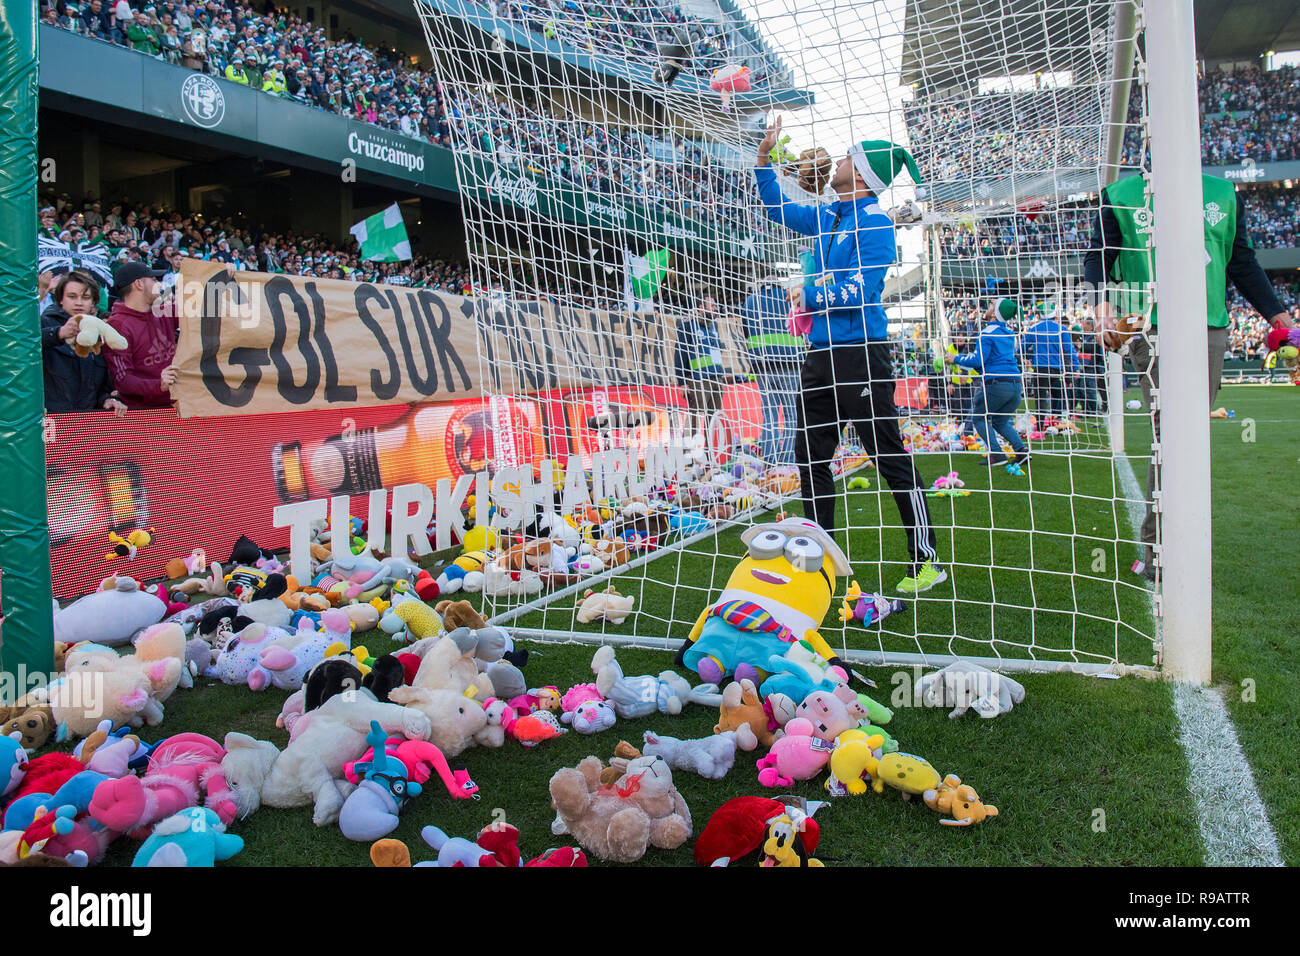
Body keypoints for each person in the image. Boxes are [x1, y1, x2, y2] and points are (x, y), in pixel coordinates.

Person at [754, 117, 944, 595]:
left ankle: (928, 559)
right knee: (808, 455)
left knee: (888, 456)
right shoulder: (830, 215)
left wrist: (809, 292)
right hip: (820, 355)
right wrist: (764, 160)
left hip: (861, 355)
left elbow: (863, 288)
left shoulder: (876, 222)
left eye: (845, 157)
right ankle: (819, 560)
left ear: (859, 172)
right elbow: (777, 206)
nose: (834, 160)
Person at [1083, 170, 1294, 580]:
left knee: (1188, 433)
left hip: (1211, 325)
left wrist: (1279, 318)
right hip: (1150, 324)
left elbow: (1242, 262)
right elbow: (1098, 255)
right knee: (1174, 429)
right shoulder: (1120, 194)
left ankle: (1173, 539)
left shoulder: (1223, 193)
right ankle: (1158, 547)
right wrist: (1100, 307)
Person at [946, 298, 1028, 467]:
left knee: (978, 418)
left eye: (992, 304)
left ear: (996, 312)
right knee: (1000, 421)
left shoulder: (987, 332)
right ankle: (1021, 450)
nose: (988, 305)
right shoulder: (1009, 333)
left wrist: (955, 358)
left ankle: (997, 455)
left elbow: (978, 360)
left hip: (997, 384)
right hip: (1015, 384)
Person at [40, 270, 126, 414]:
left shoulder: (99, 332)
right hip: (48, 424)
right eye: (72, 296)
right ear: (61, 299)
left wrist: (107, 399)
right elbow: (18, 352)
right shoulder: (43, 323)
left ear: (93, 302)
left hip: (84, 424)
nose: (79, 303)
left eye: (85, 297)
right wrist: (58, 333)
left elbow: (100, 387)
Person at [741, 276, 802, 465]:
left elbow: (745, 330)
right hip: (790, 363)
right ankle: (788, 461)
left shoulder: (750, 301)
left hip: (762, 366)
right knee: (792, 415)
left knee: (769, 414)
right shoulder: (789, 297)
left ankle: (769, 459)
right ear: (779, 284)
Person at [103, 260, 179, 409]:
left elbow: (203, 308)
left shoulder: (163, 312)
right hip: (143, 413)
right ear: (139, 284)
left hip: (175, 405)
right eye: (154, 280)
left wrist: (225, 277)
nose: (159, 284)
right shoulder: (118, 326)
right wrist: (159, 385)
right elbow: (123, 380)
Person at [673, 296, 736, 443]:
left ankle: (709, 454)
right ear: (701, 307)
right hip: (698, 379)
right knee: (695, 416)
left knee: (713, 418)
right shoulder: (688, 326)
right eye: (711, 306)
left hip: (717, 379)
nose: (715, 308)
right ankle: (688, 453)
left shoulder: (713, 326)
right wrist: (682, 382)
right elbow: (679, 355)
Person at [1020, 302, 1079, 418]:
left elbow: (1021, 348)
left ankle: (1040, 426)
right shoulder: (1061, 329)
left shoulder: (1034, 328)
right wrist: (1076, 367)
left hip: (1040, 369)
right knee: (1058, 394)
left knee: (1040, 398)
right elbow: (1069, 349)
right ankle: (1056, 420)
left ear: (1040, 315)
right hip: (1057, 369)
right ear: (1054, 314)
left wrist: (1026, 358)